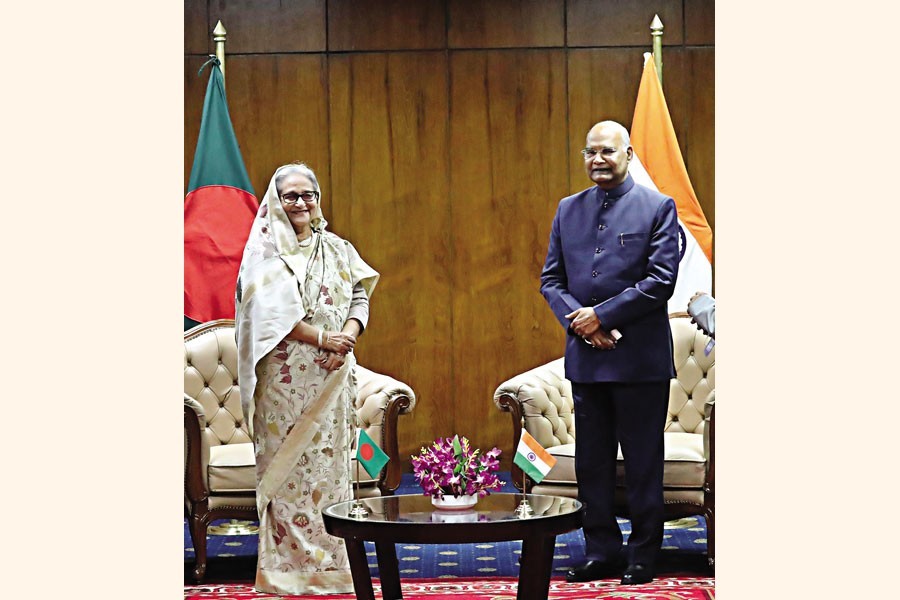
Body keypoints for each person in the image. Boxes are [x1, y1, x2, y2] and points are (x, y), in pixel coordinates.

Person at [540, 121, 680, 586]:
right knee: (592, 463)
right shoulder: (568, 209)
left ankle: (643, 555)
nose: (598, 159)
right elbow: (552, 281)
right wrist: (582, 322)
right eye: (590, 152)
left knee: (642, 463)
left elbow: (661, 281)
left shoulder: (658, 207)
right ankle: (602, 551)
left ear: (629, 154)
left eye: (607, 151)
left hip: (640, 362)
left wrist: (602, 317)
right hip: (588, 358)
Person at [235, 162, 379, 595]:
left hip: (333, 377)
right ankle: (286, 572)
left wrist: (347, 338)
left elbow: (359, 293)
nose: (300, 203)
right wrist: (323, 339)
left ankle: (333, 568)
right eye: (290, 196)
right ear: (276, 202)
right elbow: (268, 315)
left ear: (318, 199)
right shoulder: (265, 251)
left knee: (330, 471)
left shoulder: (336, 248)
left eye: (307, 195)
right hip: (284, 379)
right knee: (289, 473)